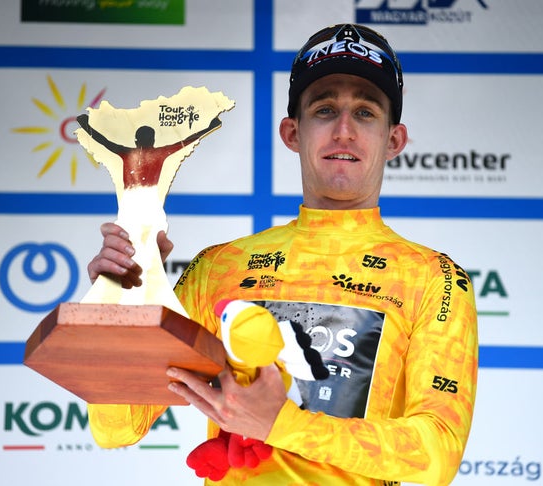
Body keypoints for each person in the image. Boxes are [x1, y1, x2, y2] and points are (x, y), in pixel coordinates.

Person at [86, 23, 478, 485]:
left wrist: (280, 425)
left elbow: (437, 454)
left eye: (366, 112)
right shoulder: (220, 268)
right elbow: (116, 428)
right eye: (325, 109)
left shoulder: (433, 278)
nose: (345, 131)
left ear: (394, 139)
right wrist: (122, 301)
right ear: (293, 132)